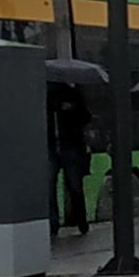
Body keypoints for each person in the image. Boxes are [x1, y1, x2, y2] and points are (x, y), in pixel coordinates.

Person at [48, 84, 93, 236]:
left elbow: (86, 116)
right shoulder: (46, 95)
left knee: (74, 185)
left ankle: (81, 220)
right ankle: (53, 223)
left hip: (70, 145)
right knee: (49, 185)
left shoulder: (72, 94)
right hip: (52, 146)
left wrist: (71, 110)